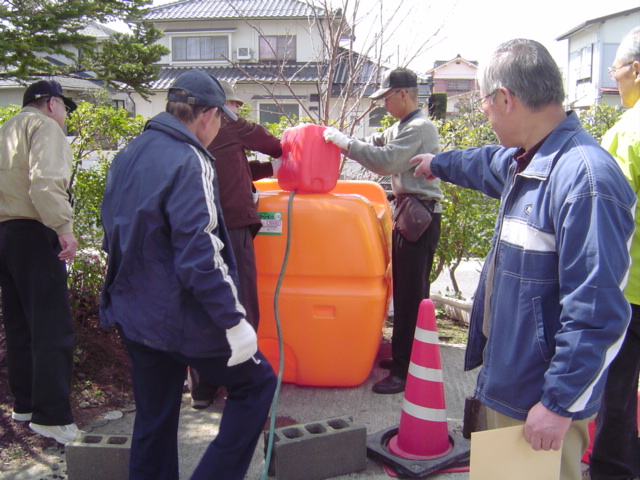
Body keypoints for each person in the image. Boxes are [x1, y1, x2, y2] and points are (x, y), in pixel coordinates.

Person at [410, 39, 635, 480]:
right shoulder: (529, 162)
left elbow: (597, 313)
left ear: (505, 99)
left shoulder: (586, 180)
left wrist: (557, 404)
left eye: (484, 105)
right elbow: (486, 163)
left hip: (540, 403)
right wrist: (439, 163)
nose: (486, 117)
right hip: (511, 384)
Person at [100, 69, 277, 480]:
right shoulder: (190, 157)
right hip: (179, 316)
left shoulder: (130, 152)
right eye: (220, 121)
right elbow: (200, 252)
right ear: (208, 115)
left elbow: (113, 230)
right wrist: (234, 322)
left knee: (154, 419)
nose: (219, 129)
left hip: (134, 312)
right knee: (257, 384)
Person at [323, 67, 443, 394]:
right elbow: (374, 144)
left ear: (404, 94)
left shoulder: (420, 127)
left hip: (419, 215)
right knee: (404, 290)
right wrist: (342, 141)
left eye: (386, 98)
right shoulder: (403, 126)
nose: (383, 105)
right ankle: (405, 358)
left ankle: (405, 370)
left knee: (410, 296)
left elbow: (385, 162)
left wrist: (346, 143)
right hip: (410, 214)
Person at [187, 80, 283, 409]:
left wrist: (272, 170)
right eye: (235, 105)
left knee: (204, 303)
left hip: (198, 226)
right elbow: (271, 144)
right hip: (232, 227)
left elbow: (233, 168)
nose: (238, 110)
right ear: (222, 105)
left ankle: (202, 389)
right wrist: (281, 158)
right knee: (242, 303)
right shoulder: (227, 121)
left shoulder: (192, 126)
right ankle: (244, 386)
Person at [0, 80, 80, 445]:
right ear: (51, 104)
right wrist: (64, 228)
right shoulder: (44, 127)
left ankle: (27, 405)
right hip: (35, 230)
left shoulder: (7, 128)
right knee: (51, 326)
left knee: (20, 323)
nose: (64, 115)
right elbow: (45, 181)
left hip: (5, 233)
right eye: (64, 107)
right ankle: (52, 417)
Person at [590, 27, 640, 480]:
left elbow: (609, 220)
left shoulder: (627, 134)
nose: (615, 78)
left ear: (636, 70)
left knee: (618, 393)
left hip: (632, 290)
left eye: (616, 68)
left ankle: (611, 471)